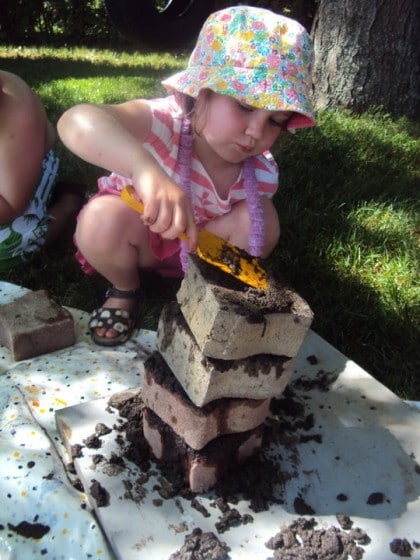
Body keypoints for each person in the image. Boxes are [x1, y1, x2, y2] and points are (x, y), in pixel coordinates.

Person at [57, 5, 316, 347]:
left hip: (199, 252)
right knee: (100, 220)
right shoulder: (164, 122)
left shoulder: (262, 172)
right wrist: (143, 168)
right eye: (245, 106)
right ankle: (124, 287)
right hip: (139, 238)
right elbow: (76, 120)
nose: (256, 132)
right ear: (202, 91)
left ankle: (208, 294)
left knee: (261, 220)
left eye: (276, 121)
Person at [0, 70, 86, 273]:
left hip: (18, 177)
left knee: (8, 245)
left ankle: (66, 204)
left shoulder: (16, 117)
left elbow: (11, 205)